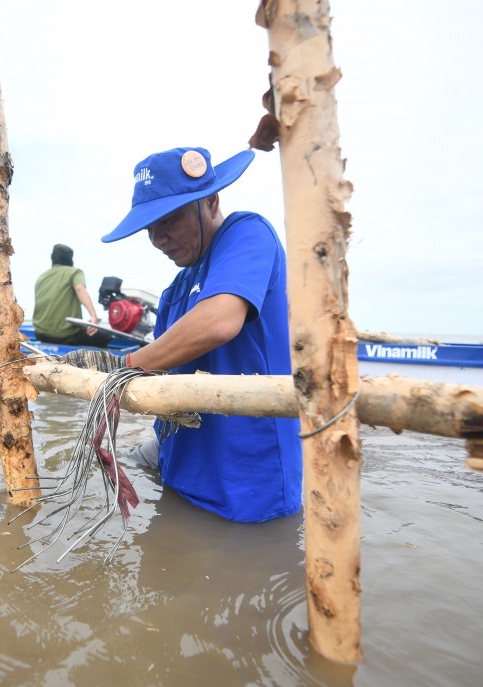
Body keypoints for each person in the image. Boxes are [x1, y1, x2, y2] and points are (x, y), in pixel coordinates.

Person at [63, 146, 303, 523]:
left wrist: (119, 365)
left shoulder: (247, 233)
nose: (159, 238)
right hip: (179, 470)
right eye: (150, 228)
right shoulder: (176, 289)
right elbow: (160, 374)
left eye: (170, 220)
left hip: (246, 483)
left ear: (211, 202)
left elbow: (219, 321)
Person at [32, 244, 113, 347]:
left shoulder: (41, 277)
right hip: (66, 336)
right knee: (106, 337)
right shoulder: (74, 272)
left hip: (40, 334)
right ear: (70, 259)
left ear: (52, 258)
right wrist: (93, 316)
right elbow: (79, 288)